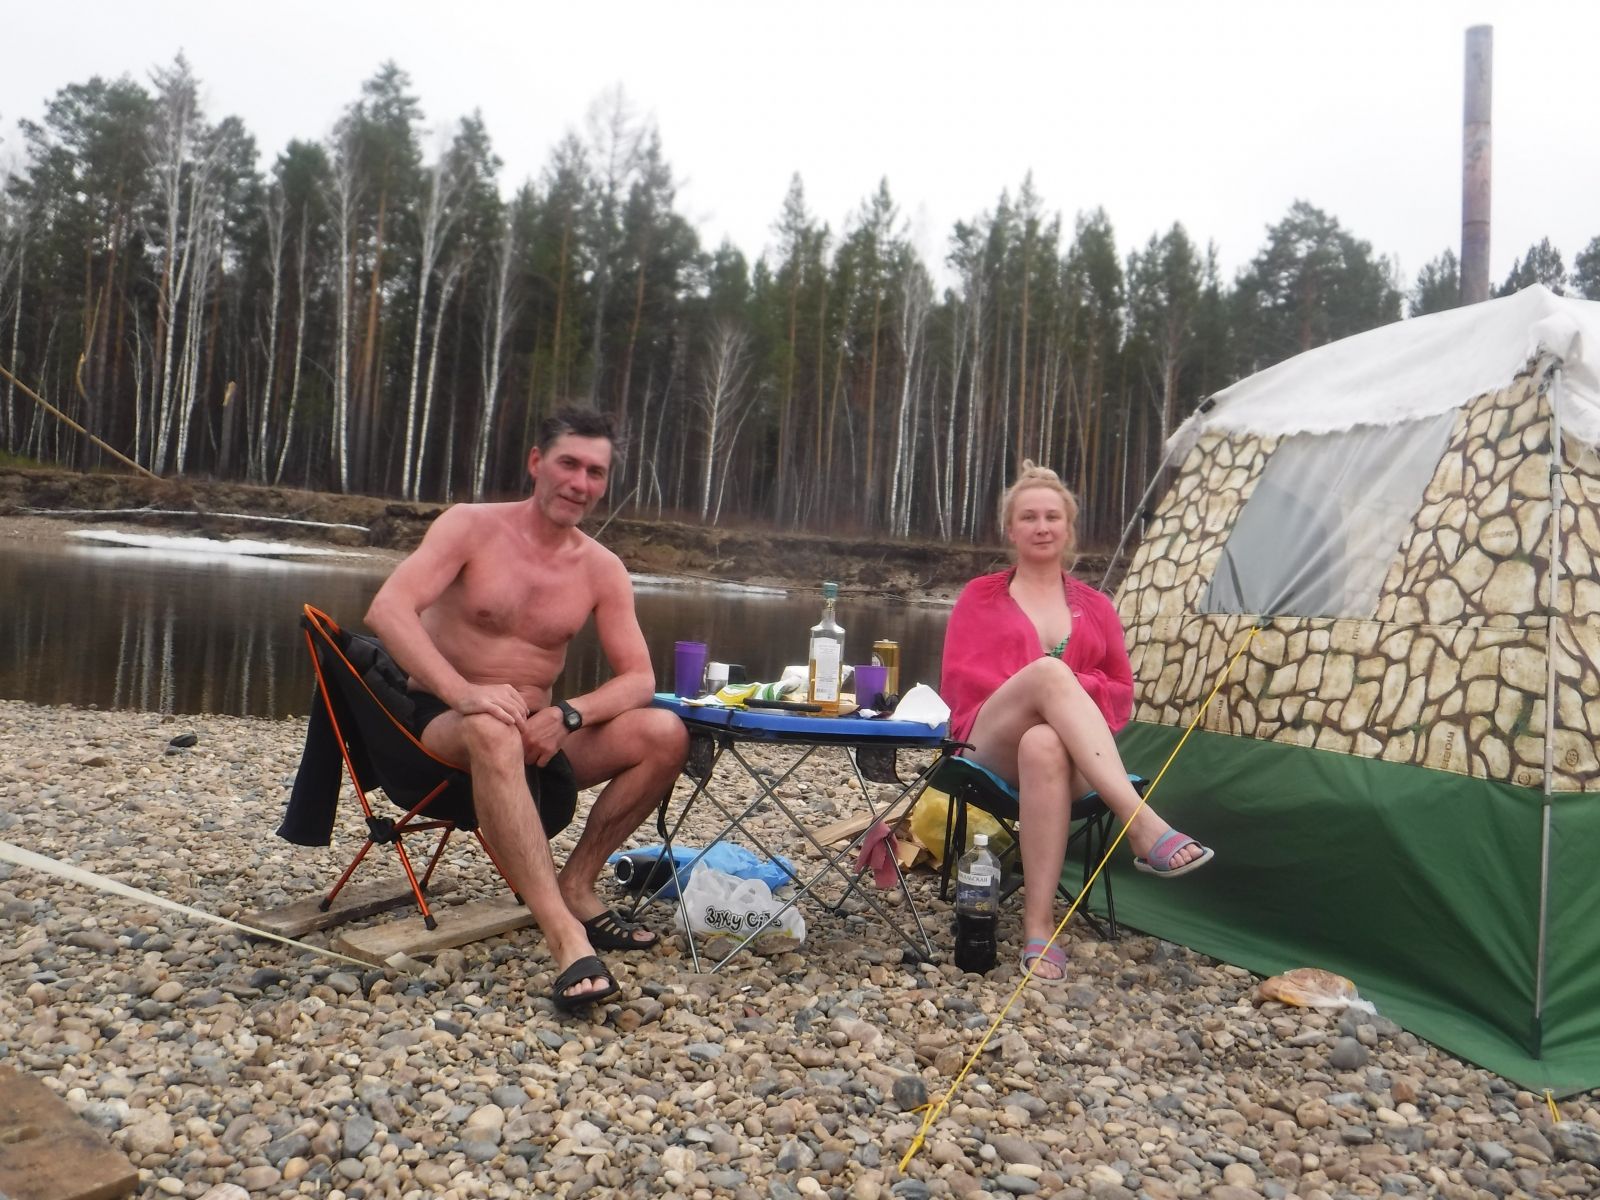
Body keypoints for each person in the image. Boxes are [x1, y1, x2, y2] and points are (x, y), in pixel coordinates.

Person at [365, 405, 688, 1012]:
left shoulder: (601, 568)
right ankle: (565, 937)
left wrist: (568, 715)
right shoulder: (470, 526)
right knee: (492, 727)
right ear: (537, 463)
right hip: (444, 725)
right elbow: (389, 609)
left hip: (538, 736)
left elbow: (640, 678)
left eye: (595, 472)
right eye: (569, 464)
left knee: (665, 733)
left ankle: (578, 883)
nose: (580, 483)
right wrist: (464, 692)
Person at [940, 460, 1212, 981]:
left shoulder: (1098, 607)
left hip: (1072, 757)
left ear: (1068, 528)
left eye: (1052, 517)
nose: (1041, 527)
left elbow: (1120, 693)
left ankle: (1039, 929)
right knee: (1047, 676)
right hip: (989, 743)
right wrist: (1045, 686)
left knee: (1044, 742)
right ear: (1010, 529)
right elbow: (961, 687)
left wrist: (1062, 696)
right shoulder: (980, 596)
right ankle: (1140, 824)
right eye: (1029, 517)